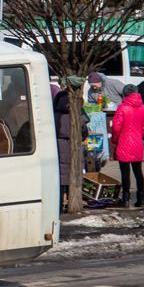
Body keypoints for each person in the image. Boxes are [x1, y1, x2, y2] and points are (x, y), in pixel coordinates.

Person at [110, 84, 144, 208]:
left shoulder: (122, 107)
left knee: (125, 173)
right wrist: (138, 135)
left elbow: (116, 127)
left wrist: (115, 139)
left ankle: (126, 200)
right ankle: (141, 200)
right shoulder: (143, 108)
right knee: (138, 172)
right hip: (137, 142)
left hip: (124, 141)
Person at [53, 78, 89, 213]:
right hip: (73, 146)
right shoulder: (76, 114)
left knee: (60, 177)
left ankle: (59, 206)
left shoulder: (54, 116)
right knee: (72, 175)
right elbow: (84, 131)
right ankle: (72, 204)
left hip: (58, 145)